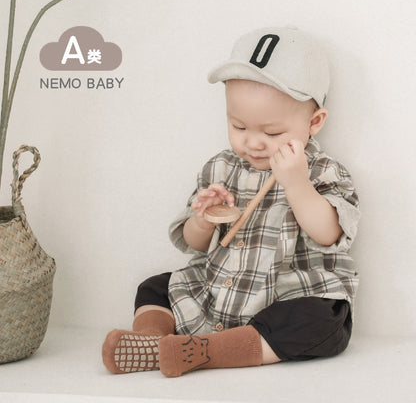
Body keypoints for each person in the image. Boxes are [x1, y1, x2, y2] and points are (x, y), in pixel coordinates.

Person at [102, 26, 360, 378]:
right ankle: (152, 343)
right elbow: (193, 246)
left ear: (314, 122)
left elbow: (329, 234)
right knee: (155, 287)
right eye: (238, 126)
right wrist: (203, 220)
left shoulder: (323, 171)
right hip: (216, 292)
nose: (253, 143)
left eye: (271, 133)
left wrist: (297, 184)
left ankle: (205, 351)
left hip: (288, 296)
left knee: (325, 321)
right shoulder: (221, 167)